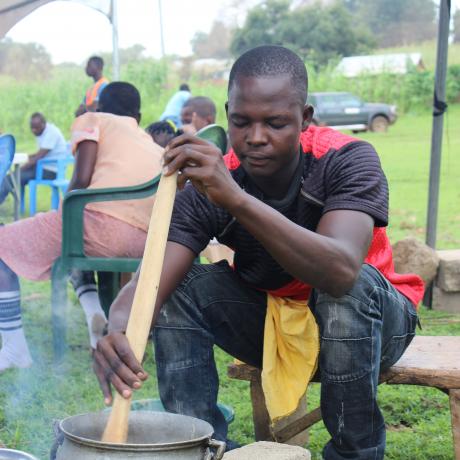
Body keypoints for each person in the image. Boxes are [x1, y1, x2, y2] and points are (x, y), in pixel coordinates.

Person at [93, 46, 424, 459]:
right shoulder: (212, 185)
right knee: (179, 288)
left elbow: (339, 272)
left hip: (372, 327)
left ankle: (354, 454)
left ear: (305, 118)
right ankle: (197, 447)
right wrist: (118, 326)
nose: (255, 137)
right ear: (228, 113)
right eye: (241, 122)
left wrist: (236, 199)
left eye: (276, 123)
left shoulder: (346, 159)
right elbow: (153, 280)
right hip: (272, 324)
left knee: (346, 290)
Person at [0, 82, 163, 372]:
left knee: (11, 241)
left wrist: (63, 213)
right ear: (137, 115)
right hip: (143, 240)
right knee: (71, 242)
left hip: (97, 225)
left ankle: (14, 349)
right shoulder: (148, 140)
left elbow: (82, 177)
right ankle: (94, 315)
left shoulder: (93, 119)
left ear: (99, 106)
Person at [0, 113, 69, 206]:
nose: (34, 130)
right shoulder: (44, 131)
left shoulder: (51, 133)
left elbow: (38, 157)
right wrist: (28, 157)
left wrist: (21, 169)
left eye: (36, 128)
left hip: (51, 171)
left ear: (43, 124)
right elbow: (40, 154)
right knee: (12, 178)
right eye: (32, 127)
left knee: (10, 179)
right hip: (43, 167)